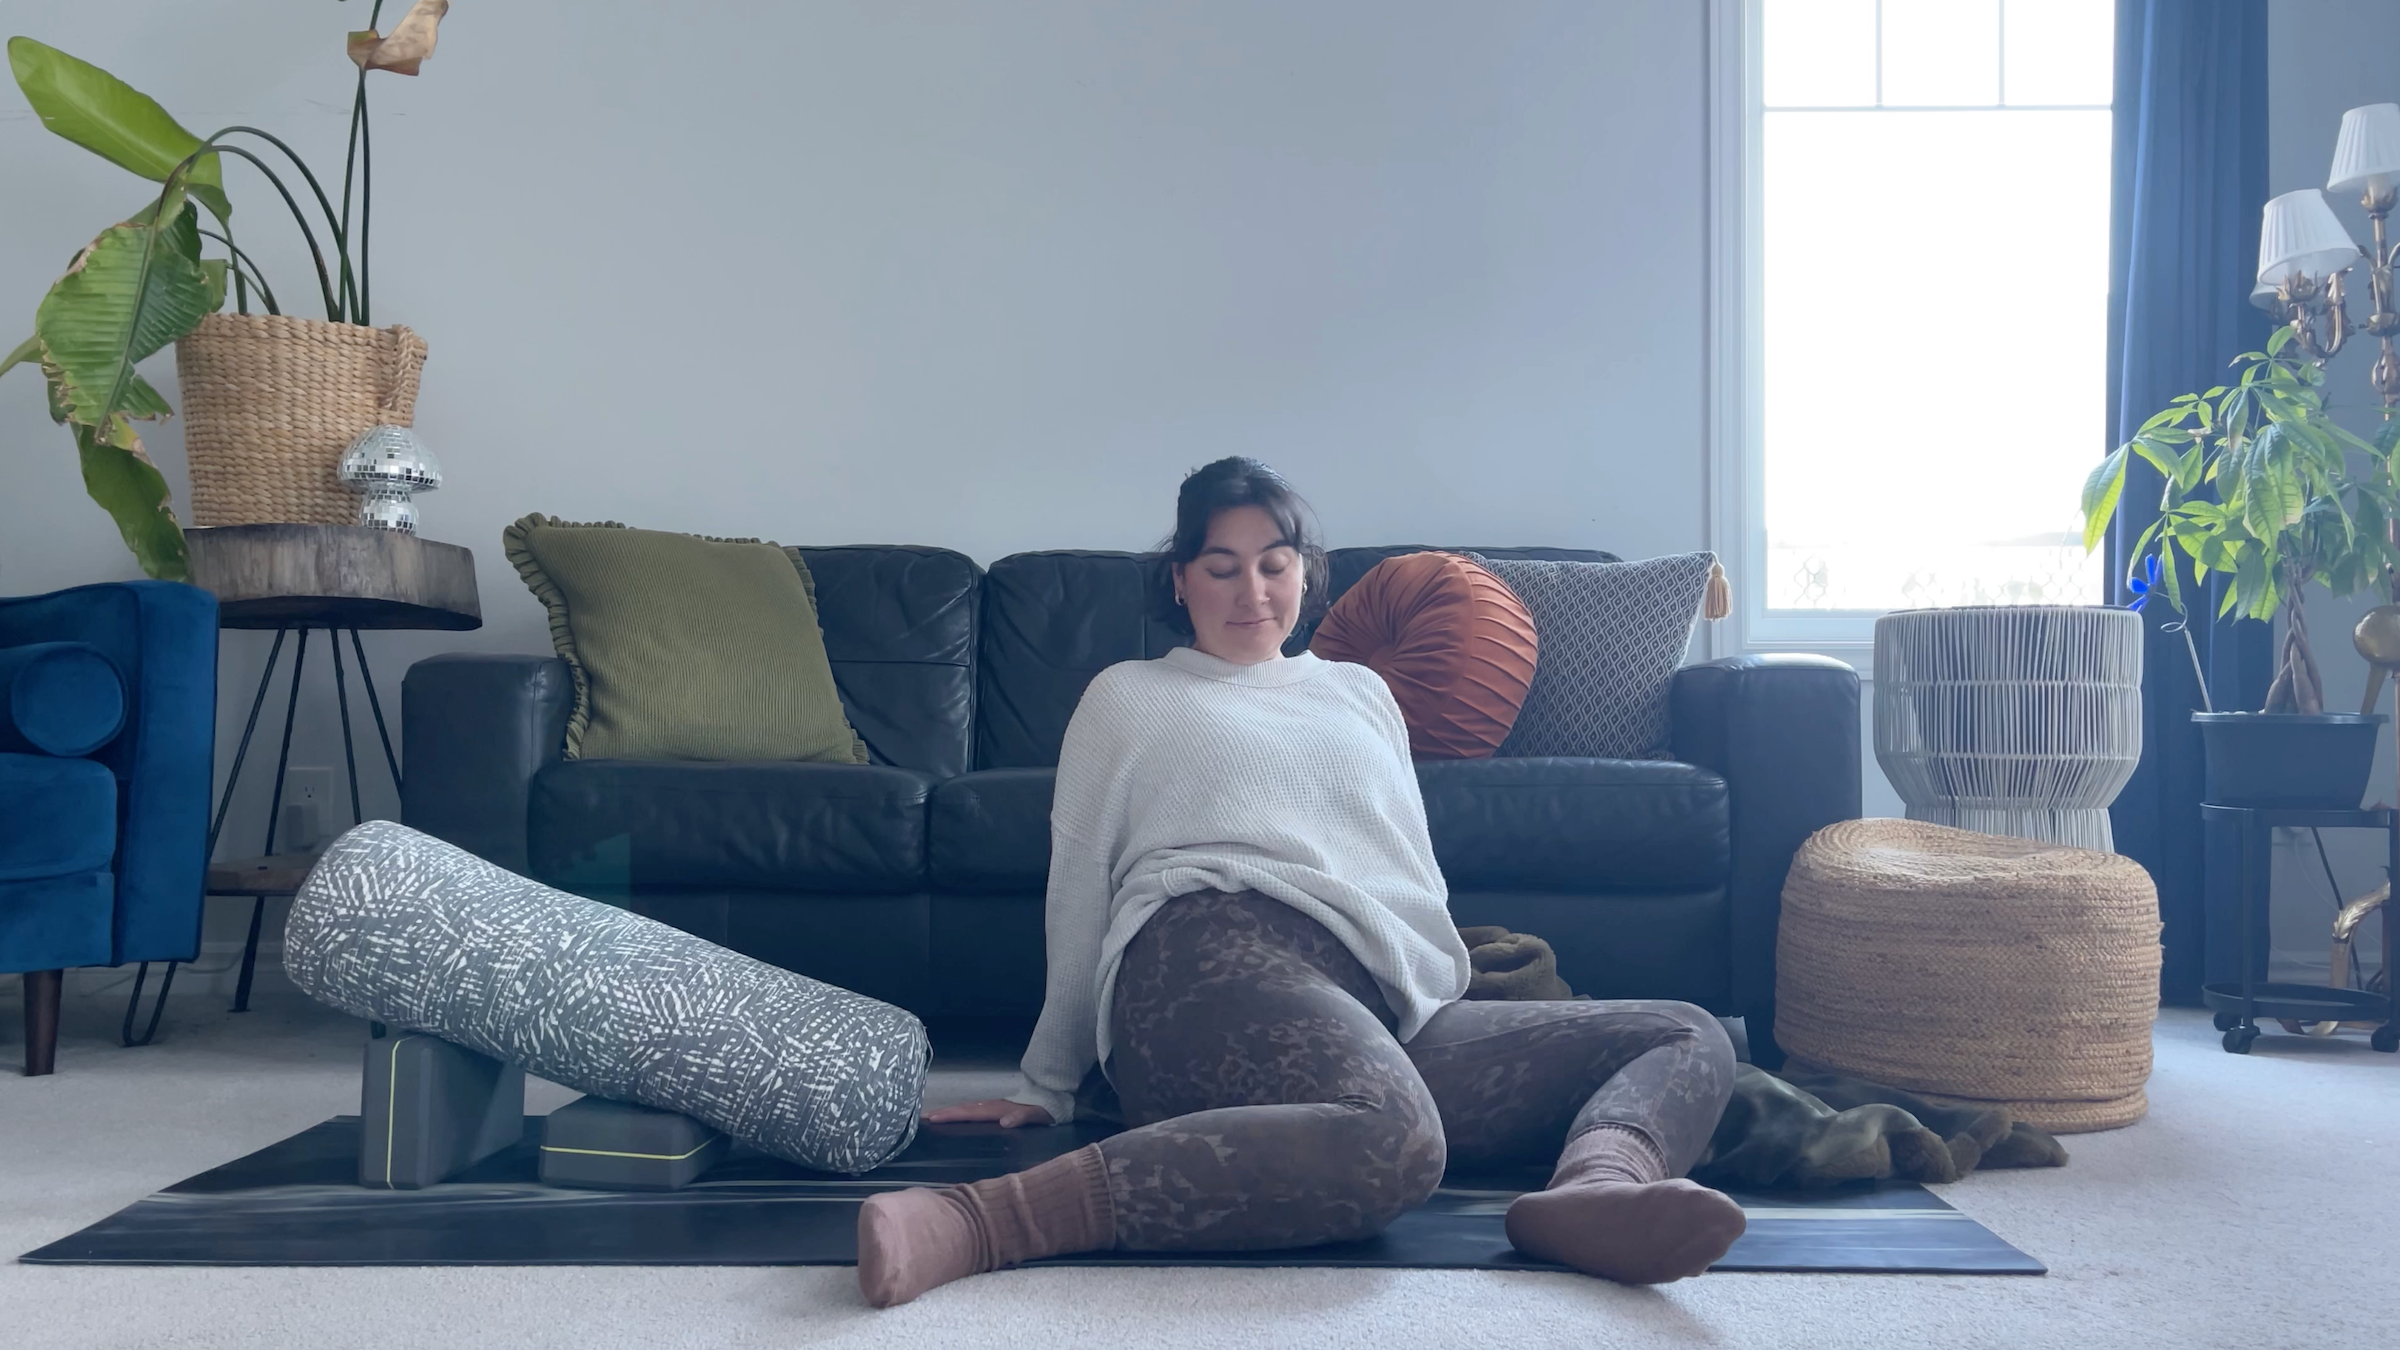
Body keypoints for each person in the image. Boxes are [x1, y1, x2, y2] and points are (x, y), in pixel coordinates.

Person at [856, 458, 1743, 1306]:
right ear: (1179, 580)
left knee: (1684, 1034)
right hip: (1200, 959)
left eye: (1274, 565)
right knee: (1394, 1140)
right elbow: (1078, 882)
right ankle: (974, 1224)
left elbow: (1407, 866)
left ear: (1305, 575)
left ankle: (1592, 1195)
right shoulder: (1128, 695)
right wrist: (1046, 1084)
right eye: (1222, 566)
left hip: (1369, 999)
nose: (1252, 592)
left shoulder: (1361, 694)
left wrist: (1437, 989)